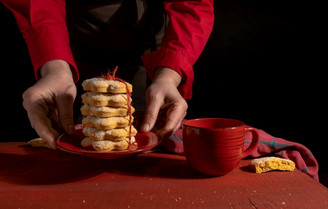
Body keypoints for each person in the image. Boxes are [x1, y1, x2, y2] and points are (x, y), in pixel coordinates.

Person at [1, 0, 214, 148]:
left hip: (152, 47)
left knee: (143, 140)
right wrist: (54, 66)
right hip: (69, 38)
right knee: (67, 138)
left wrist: (170, 74)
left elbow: (192, 4)